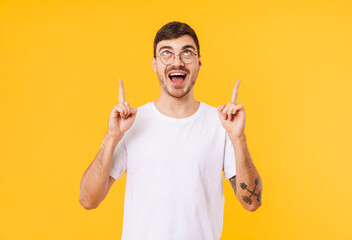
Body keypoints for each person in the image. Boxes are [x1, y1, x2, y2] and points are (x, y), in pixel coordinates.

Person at [79, 21, 263, 240]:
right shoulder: (130, 124)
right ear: (155, 64)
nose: (177, 62)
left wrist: (238, 138)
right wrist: (111, 137)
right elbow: (88, 200)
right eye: (167, 53)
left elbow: (251, 203)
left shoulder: (221, 124)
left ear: (198, 63)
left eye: (187, 53)